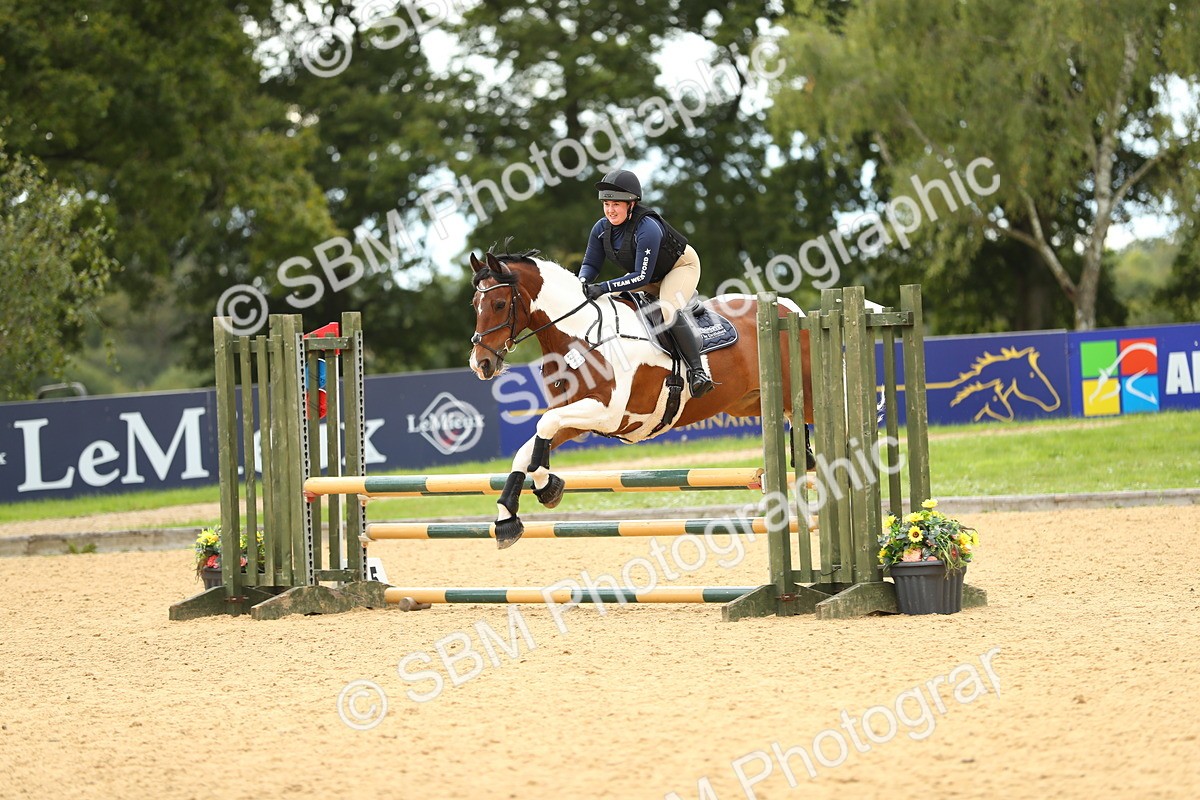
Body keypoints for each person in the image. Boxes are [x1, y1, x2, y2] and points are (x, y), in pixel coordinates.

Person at [577, 168, 715, 398]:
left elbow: (640, 277)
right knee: (607, 302)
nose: (610, 210)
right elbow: (591, 264)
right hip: (650, 275)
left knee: (667, 309)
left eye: (616, 205)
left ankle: (698, 372)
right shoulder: (601, 229)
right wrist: (582, 282)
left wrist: (603, 286)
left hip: (680, 268)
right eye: (606, 205)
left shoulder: (647, 227)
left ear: (631, 204)